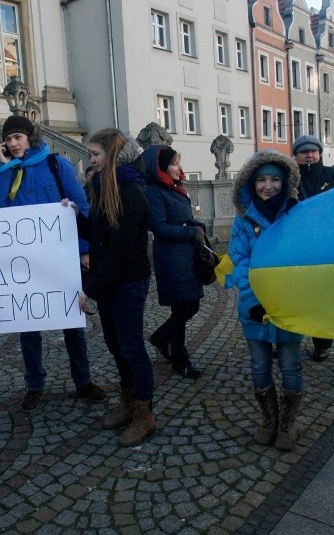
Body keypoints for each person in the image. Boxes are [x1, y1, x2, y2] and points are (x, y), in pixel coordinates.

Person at [0, 115, 107, 412]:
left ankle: (83, 380)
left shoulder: (55, 164)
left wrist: (84, 249)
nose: (12, 143)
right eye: (8, 139)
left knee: (71, 323)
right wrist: (3, 168)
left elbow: (81, 207)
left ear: (30, 138)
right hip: (25, 263)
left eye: (17, 138)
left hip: (61, 259)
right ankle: (35, 385)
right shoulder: (7, 171)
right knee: (28, 327)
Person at [67, 128, 155, 447]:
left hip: (128, 279)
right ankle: (129, 403)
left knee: (131, 346)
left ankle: (145, 414)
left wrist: (90, 288)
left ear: (113, 155)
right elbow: (98, 231)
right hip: (109, 278)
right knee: (115, 345)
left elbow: (120, 248)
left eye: (96, 153)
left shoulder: (131, 190)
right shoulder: (103, 184)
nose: (91, 159)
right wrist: (74, 215)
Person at [227, 149, 304, 451]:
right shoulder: (244, 218)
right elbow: (240, 260)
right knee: (259, 365)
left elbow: (303, 259)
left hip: (289, 305)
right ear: (251, 182)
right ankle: (268, 419)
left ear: (285, 183)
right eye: (262, 180)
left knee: (290, 365)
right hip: (254, 307)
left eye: (274, 179)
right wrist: (252, 299)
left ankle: (288, 423)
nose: (268, 186)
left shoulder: (296, 212)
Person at [141, 144, 204, 379]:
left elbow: (183, 219)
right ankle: (180, 359)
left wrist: (196, 226)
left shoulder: (175, 188)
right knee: (181, 309)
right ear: (161, 168)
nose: (180, 167)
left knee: (193, 305)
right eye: (174, 163)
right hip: (171, 258)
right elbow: (159, 227)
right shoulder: (154, 191)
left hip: (186, 256)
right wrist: (190, 232)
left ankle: (160, 337)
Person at [291, 134, 334, 362]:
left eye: (313, 151)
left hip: (326, 248)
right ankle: (289, 339)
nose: (310, 155)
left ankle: (322, 344)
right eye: (304, 152)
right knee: (294, 296)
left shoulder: (332, 175)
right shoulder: (289, 179)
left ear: (320, 153)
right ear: (295, 156)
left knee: (323, 299)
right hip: (297, 248)